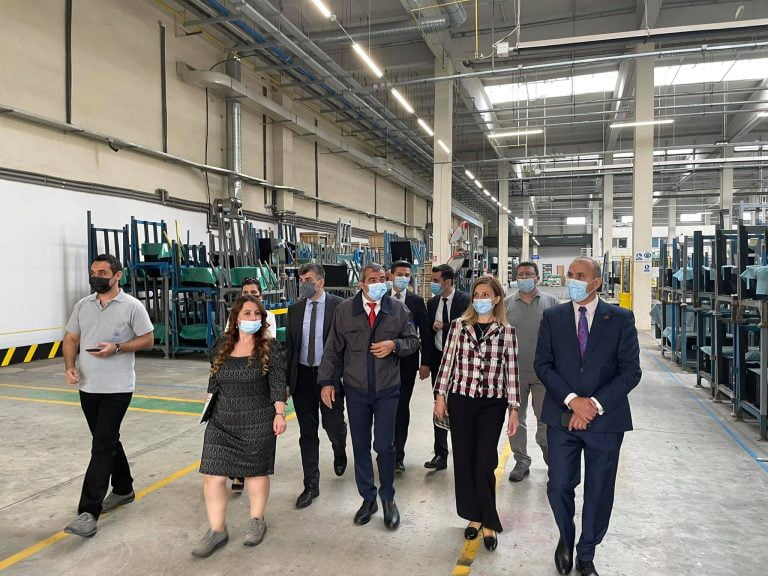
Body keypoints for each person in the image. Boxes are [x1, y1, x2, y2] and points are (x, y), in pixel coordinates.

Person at [534, 257, 641, 576]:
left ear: (596, 282)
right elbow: (543, 365)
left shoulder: (620, 318)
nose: (573, 280)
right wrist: (572, 401)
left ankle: (586, 552)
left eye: (580, 275)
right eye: (570, 274)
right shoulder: (553, 317)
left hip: (605, 422)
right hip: (562, 417)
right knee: (559, 485)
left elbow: (630, 371)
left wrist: (592, 404)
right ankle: (566, 537)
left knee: (599, 489)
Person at [318, 263, 418, 530]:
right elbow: (332, 349)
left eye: (382, 278)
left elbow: (413, 341)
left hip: (387, 390)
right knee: (360, 445)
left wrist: (394, 345)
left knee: (384, 446)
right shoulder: (345, 311)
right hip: (356, 390)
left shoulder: (398, 310)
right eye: (372, 279)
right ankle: (368, 498)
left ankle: (388, 498)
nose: (378, 283)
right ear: (361, 284)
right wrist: (327, 381)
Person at [62, 254, 154, 537]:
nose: (96, 277)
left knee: (102, 445)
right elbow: (71, 338)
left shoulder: (132, 306)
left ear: (117, 275)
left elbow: (148, 339)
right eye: (93, 272)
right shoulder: (83, 305)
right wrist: (69, 366)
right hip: (88, 387)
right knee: (107, 440)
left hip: (118, 387)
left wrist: (118, 347)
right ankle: (124, 488)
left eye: (102, 272)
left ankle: (88, 512)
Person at [192, 295, 287, 557]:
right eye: (247, 313)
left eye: (257, 314)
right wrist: (207, 406)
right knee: (213, 475)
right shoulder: (221, 345)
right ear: (235, 318)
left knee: (255, 473)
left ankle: (257, 520)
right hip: (221, 421)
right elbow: (214, 379)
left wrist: (279, 414)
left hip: (258, 420)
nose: (253, 318)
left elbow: (278, 383)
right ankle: (217, 530)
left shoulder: (271, 348)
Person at [433, 276, 520, 552]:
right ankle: (474, 516)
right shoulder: (459, 326)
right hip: (461, 400)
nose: (480, 299)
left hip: (492, 404)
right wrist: (440, 396)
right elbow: (447, 362)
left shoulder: (507, 331)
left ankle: (489, 520)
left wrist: (514, 409)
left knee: (485, 461)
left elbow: (512, 372)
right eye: (477, 294)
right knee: (464, 460)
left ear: (496, 299)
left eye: (486, 295)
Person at [285, 264, 348, 509]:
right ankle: (311, 484)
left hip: (329, 377)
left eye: (308, 279)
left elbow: (344, 346)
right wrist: (287, 382)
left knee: (333, 425)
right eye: (301, 279)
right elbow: (290, 349)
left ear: (320, 282)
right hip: (302, 378)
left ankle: (339, 449)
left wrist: (337, 378)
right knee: (307, 433)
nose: (303, 284)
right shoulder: (294, 310)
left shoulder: (339, 307)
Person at [504, 261, 560, 482]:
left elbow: (562, 336)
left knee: (545, 420)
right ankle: (521, 460)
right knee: (516, 419)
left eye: (529, 274)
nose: (524, 277)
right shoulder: (507, 304)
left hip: (544, 374)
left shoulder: (551, 302)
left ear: (537, 278)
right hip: (514, 374)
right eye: (521, 274)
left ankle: (551, 459)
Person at [423, 263, 470, 470]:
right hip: (438, 360)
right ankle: (440, 454)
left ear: (448, 281)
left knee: (460, 407)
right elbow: (427, 334)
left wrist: (445, 326)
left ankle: (463, 452)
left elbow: (469, 326)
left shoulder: (465, 300)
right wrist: (425, 362)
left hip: (461, 362)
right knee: (439, 405)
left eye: (436, 281)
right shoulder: (432, 303)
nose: (432, 284)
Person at [388, 260, 430, 473]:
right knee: (384, 409)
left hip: (407, 363)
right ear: (391, 275)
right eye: (400, 274)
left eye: (407, 275)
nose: (403, 278)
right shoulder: (381, 298)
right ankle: (384, 448)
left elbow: (426, 332)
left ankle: (398, 455)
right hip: (382, 363)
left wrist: (425, 362)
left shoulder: (416, 301)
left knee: (401, 408)